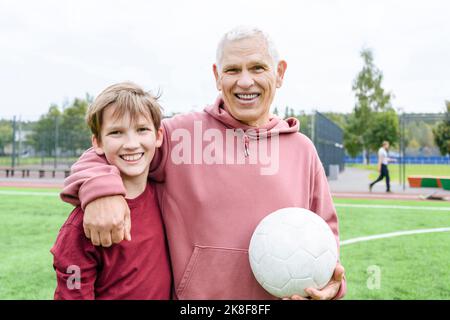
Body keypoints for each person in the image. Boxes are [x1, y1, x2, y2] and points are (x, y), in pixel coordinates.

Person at [61, 26, 346, 300]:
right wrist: (102, 192)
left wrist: (331, 286)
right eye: (233, 70)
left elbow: (325, 239)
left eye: (257, 68)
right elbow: (110, 151)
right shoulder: (180, 135)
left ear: (279, 72)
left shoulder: (303, 151)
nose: (245, 82)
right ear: (217, 76)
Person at [51, 82, 172, 299]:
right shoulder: (85, 223)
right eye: (117, 132)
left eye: (142, 129)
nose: (131, 144)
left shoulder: (165, 195)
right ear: (97, 142)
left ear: (158, 136)